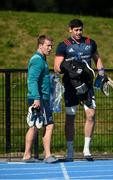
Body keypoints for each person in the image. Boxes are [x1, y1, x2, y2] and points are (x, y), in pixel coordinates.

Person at [54, 19, 105, 161]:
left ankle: (86, 150)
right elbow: (57, 67)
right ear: (70, 29)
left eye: (80, 30)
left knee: (90, 115)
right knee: (70, 117)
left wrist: (101, 73)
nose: (78, 32)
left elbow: (97, 59)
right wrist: (71, 67)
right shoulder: (63, 45)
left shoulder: (90, 43)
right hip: (71, 86)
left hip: (87, 85)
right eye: (76, 30)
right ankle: (70, 152)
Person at [23, 35, 58, 163]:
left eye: (51, 46)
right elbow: (32, 80)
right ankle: (47, 155)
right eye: (48, 45)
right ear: (40, 46)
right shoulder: (37, 60)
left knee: (37, 126)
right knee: (46, 125)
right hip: (38, 98)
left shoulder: (42, 59)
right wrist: (37, 99)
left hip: (43, 98)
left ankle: (28, 155)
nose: (50, 48)